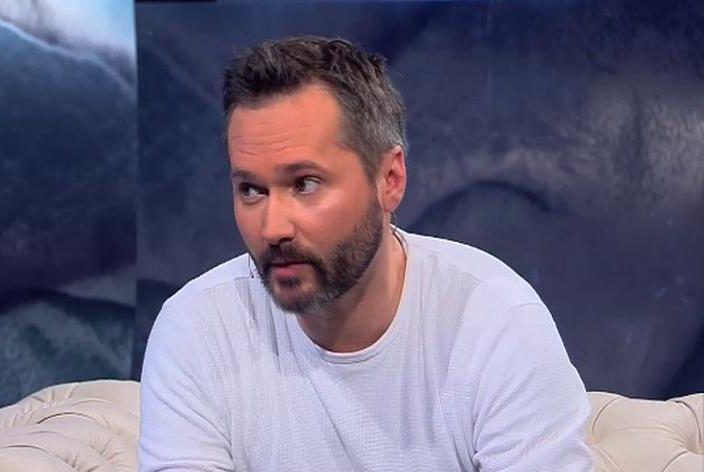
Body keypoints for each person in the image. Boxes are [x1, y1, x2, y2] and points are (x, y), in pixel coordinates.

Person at [138, 36, 592, 471]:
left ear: (389, 179)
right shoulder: (197, 328)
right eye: (251, 190)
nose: (273, 228)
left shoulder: (496, 322)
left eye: (305, 184)